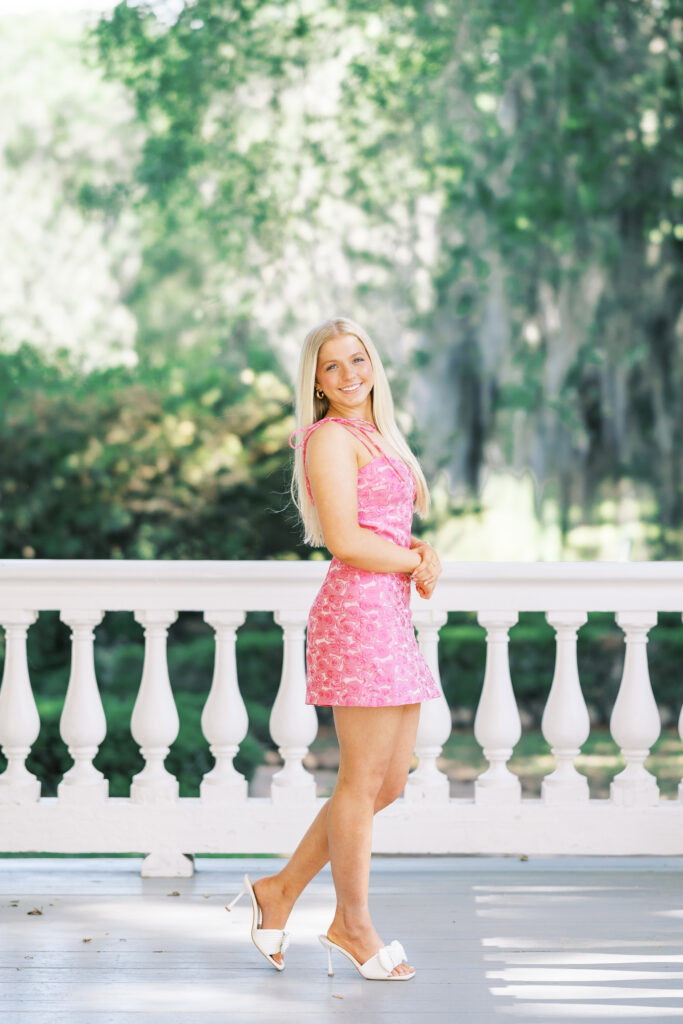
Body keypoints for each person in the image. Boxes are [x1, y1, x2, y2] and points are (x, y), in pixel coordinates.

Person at [227, 317, 442, 981]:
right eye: (332, 367)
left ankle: (280, 891)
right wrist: (411, 559)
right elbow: (346, 541)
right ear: (315, 383)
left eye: (357, 360)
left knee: (388, 783)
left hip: (388, 616)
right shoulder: (327, 439)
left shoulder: (375, 436)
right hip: (357, 614)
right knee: (358, 782)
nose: (349, 375)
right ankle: (351, 925)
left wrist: (418, 551)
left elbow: (387, 528)